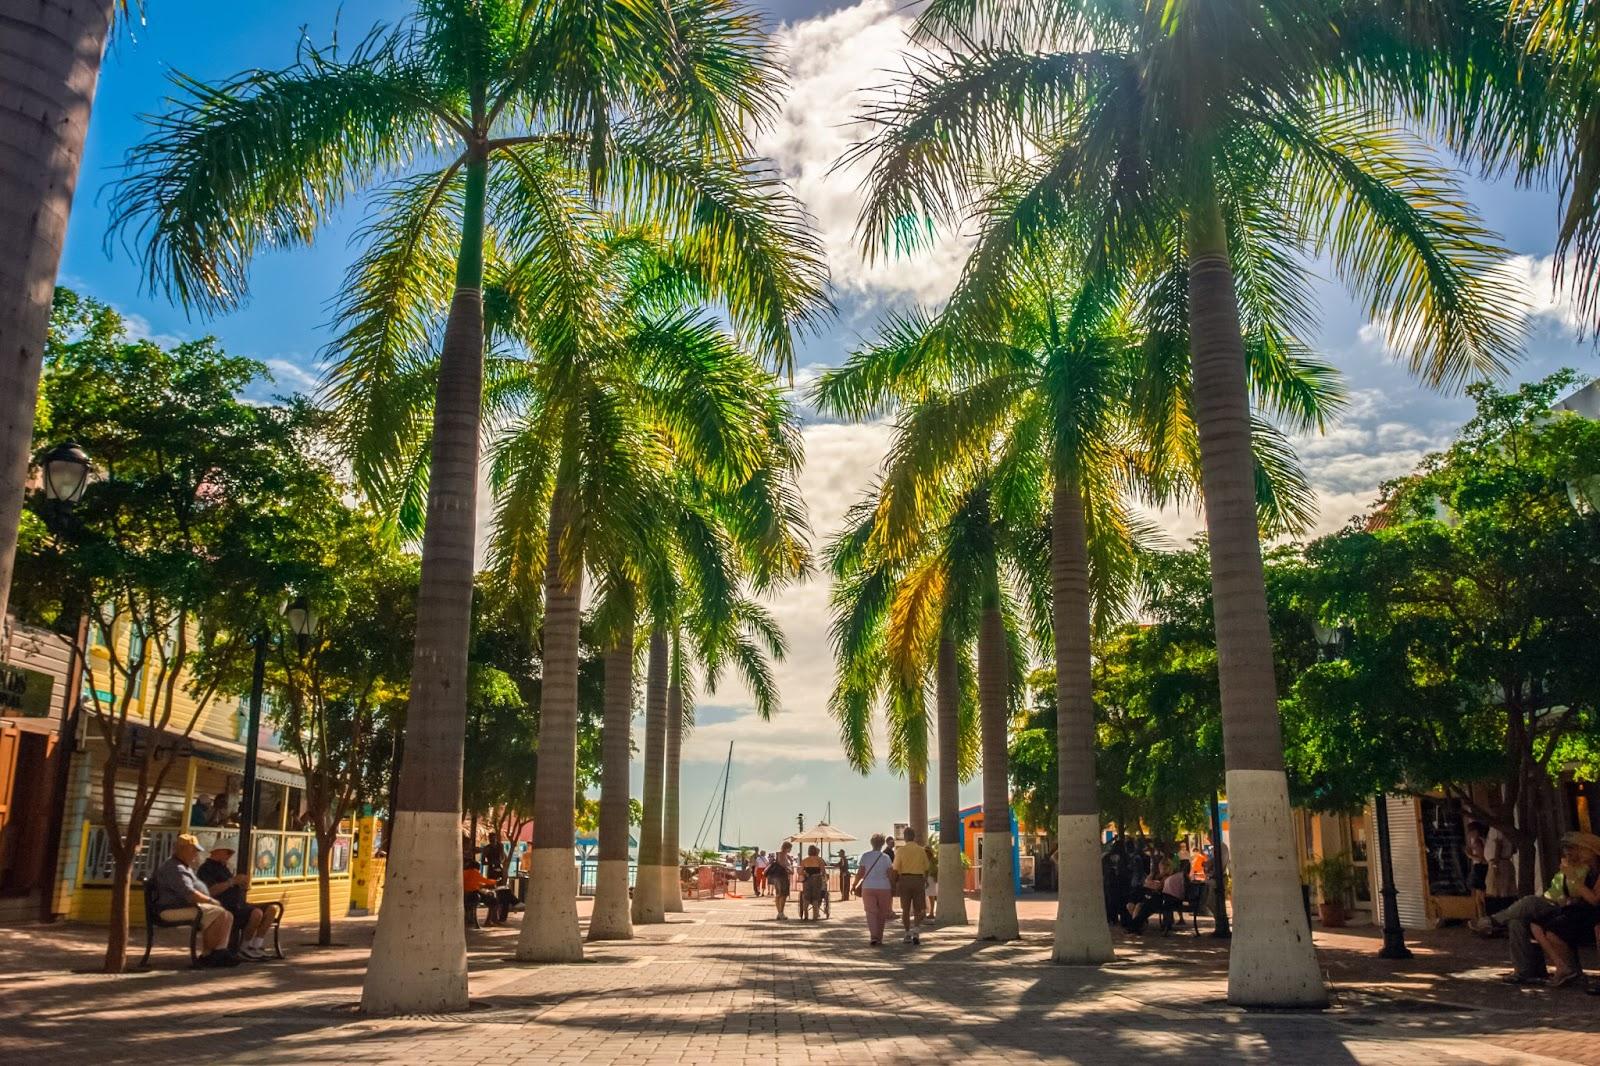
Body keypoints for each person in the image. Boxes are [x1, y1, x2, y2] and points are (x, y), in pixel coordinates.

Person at [1471, 832, 1600, 986]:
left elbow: (1591, 898)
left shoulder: (1587, 870)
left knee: (1529, 902)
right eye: (1567, 850)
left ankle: (1493, 921)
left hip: (1575, 909)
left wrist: (1571, 881)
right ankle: (1527, 971)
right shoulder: (1569, 867)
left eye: (1575, 849)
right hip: (1559, 904)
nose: (1570, 853)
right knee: (1517, 920)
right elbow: (1556, 890)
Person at [151, 833, 238, 967]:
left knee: (227, 915)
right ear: (182, 850)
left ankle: (218, 951)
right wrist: (210, 901)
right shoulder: (174, 868)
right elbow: (190, 894)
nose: (196, 854)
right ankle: (210, 954)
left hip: (184, 906)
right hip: (171, 909)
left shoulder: (184, 866)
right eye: (194, 850)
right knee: (219, 913)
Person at [197, 843, 273, 959]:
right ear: (217, 851)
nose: (230, 855)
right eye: (228, 852)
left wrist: (241, 885)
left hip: (239, 904)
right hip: (226, 906)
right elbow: (210, 891)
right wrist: (232, 882)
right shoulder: (206, 868)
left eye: (232, 853)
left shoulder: (224, 867)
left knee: (271, 909)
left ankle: (256, 945)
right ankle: (244, 947)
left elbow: (234, 885)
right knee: (256, 913)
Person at [853, 833, 894, 946]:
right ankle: (879, 937)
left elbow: (860, 873)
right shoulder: (886, 857)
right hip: (884, 887)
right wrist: (893, 886)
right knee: (882, 913)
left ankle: (873, 936)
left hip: (868, 887)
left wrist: (854, 884)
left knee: (870, 912)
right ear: (882, 844)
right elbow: (890, 874)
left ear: (871, 843)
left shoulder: (865, 856)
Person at [892, 826, 930, 944]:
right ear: (914, 837)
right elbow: (926, 867)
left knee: (905, 909)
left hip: (905, 880)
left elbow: (895, 868)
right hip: (918, 880)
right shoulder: (921, 850)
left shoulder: (900, 851)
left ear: (905, 837)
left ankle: (907, 933)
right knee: (918, 909)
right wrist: (925, 879)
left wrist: (894, 883)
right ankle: (916, 932)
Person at [1465, 821, 1489, 919]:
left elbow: (1482, 858)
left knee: (1481, 896)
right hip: (1478, 867)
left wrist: (1469, 855)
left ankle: (1484, 918)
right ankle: (1481, 918)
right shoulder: (1473, 841)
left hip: (1481, 867)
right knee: (1478, 897)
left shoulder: (1479, 841)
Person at [799, 845, 829, 920]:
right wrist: (825, 879)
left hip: (807, 880)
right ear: (816, 851)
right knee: (816, 897)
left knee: (806, 897)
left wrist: (805, 873)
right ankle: (815, 916)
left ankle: (806, 916)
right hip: (817, 879)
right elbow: (823, 871)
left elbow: (800, 871)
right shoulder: (819, 860)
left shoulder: (805, 860)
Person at [767, 842, 793, 920]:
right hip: (782, 876)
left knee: (779, 894)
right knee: (782, 895)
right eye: (790, 848)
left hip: (778, 876)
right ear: (787, 848)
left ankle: (780, 913)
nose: (791, 849)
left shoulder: (782, 854)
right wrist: (789, 870)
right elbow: (783, 864)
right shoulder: (782, 854)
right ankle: (781, 912)